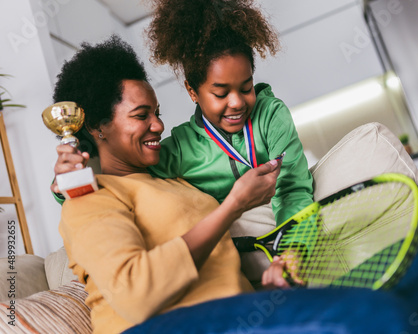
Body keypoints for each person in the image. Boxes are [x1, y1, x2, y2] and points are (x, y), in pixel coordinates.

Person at [53, 35, 418, 334]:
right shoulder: (90, 198)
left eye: (157, 112)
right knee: (374, 316)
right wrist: (231, 207)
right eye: (142, 115)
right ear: (98, 127)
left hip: (244, 308)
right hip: (163, 326)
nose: (159, 125)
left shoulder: (170, 175)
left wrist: (272, 275)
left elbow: (287, 193)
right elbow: (136, 294)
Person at [52, 0, 313, 229]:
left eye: (246, 88)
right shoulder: (178, 150)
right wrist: (65, 185)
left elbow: (292, 189)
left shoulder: (270, 115)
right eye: (221, 93)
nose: (237, 102)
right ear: (192, 91)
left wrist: (293, 251)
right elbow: (119, 183)